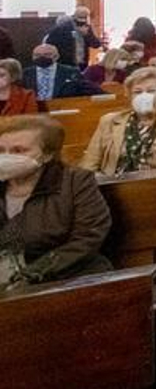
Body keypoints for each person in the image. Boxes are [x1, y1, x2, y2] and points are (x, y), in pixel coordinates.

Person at [0, 115, 113, 285]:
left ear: (47, 155)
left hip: (64, 278)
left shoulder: (75, 182)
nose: (6, 157)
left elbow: (88, 237)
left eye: (19, 150)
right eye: (1, 150)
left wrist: (31, 274)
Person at [78, 67, 156, 176]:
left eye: (151, 91)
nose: (144, 96)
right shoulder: (109, 121)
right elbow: (89, 164)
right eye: (137, 92)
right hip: (114, 185)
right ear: (130, 96)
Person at [22, 44, 100, 104]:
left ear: (56, 56)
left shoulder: (71, 72)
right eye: (37, 55)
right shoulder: (25, 74)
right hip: (33, 111)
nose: (41, 57)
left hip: (62, 109)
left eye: (47, 55)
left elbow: (89, 90)